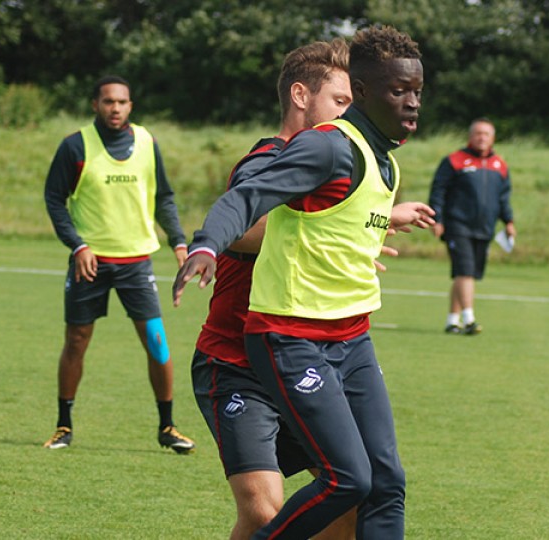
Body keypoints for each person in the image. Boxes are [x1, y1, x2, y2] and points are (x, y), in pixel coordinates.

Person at [174, 26, 432, 539]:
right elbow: (246, 208)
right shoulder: (310, 150)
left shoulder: (375, 158)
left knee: (374, 488)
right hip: (257, 353)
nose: (412, 103)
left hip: (344, 339)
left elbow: (326, 218)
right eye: (340, 99)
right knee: (281, 504)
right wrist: (207, 245)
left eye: (417, 92)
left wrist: (365, 230)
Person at [191, 39, 357, 539]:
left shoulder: (332, 169)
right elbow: (241, 229)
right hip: (236, 363)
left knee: (351, 499)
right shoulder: (269, 158)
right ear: (301, 96)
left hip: (300, 360)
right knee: (265, 512)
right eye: (341, 101)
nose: (350, 115)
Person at [42, 75, 195, 454]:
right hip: (89, 263)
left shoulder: (147, 142)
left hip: (136, 262)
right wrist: (78, 245)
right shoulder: (75, 146)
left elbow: (164, 197)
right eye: (108, 101)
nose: (115, 108)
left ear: (131, 106)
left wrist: (178, 241)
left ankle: (167, 427)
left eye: (122, 102)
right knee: (76, 341)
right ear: (95, 104)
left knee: (157, 342)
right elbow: (54, 199)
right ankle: (63, 425)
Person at [428, 118, 516, 335]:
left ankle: (452, 320)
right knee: (465, 271)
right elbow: (438, 190)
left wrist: (509, 221)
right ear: (470, 136)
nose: (482, 138)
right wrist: (437, 219)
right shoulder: (454, 160)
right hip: (457, 225)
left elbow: (503, 198)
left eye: (486, 134)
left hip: (484, 227)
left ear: (493, 138)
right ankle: (469, 319)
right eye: (478, 133)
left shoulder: (500, 165)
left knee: (465, 274)